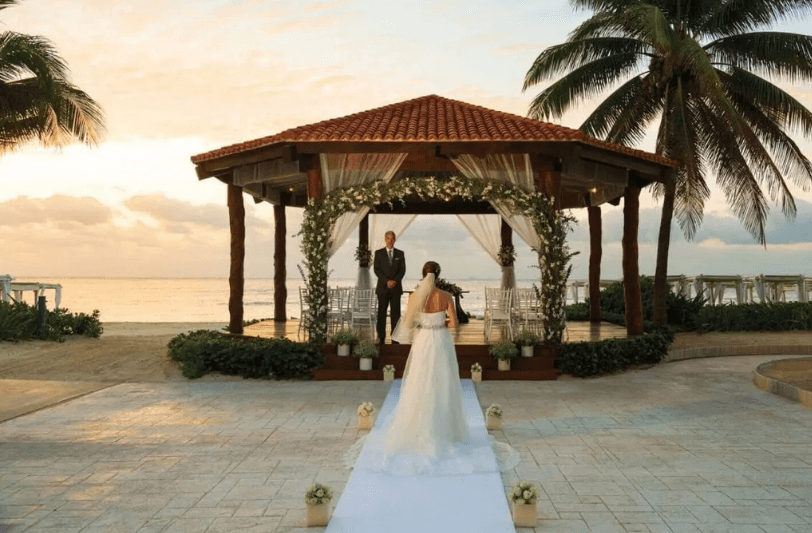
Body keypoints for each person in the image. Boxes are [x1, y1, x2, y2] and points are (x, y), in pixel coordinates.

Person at [373, 231, 405, 344]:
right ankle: (381, 337)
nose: (390, 240)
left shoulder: (400, 254)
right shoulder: (378, 253)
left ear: (395, 239)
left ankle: (395, 337)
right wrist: (387, 281)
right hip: (382, 288)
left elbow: (402, 270)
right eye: (388, 238)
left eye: (392, 238)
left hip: (396, 288)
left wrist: (394, 281)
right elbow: (376, 270)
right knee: (381, 313)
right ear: (385, 239)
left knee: (396, 314)